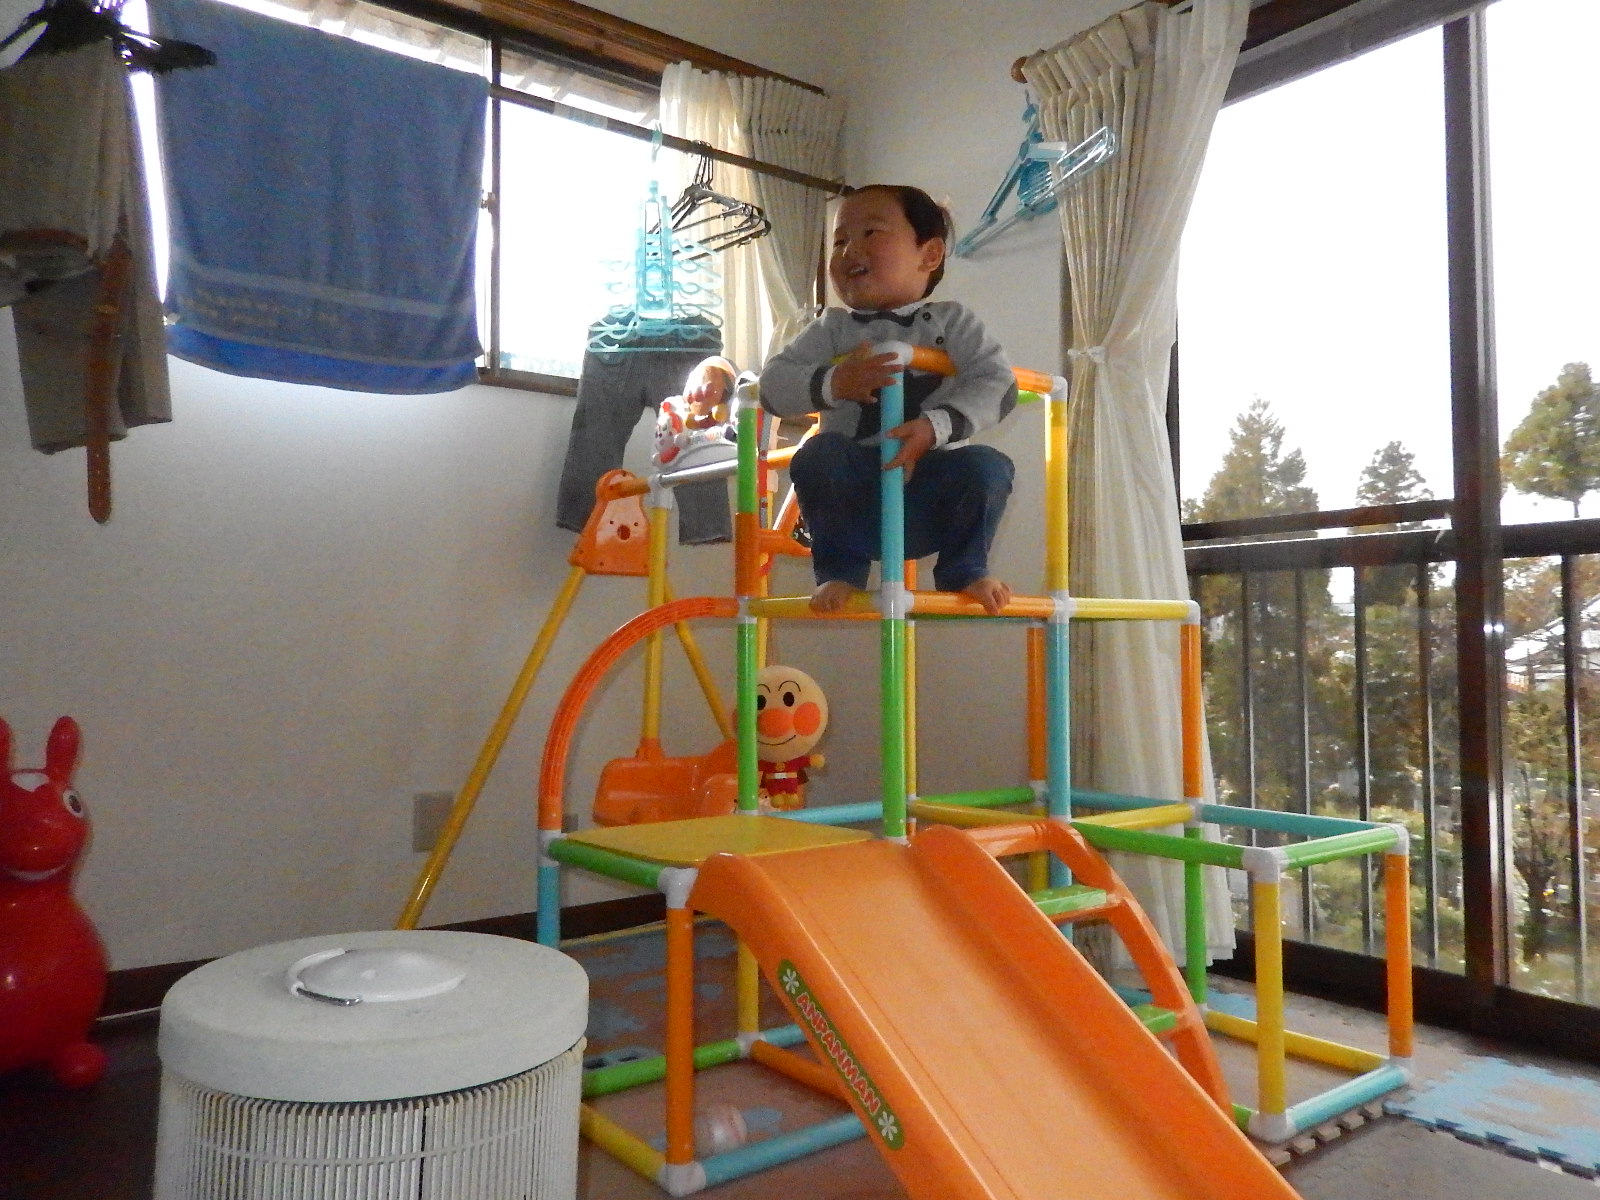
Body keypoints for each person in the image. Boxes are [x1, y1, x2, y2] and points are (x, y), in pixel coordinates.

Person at [756, 184, 1018, 615]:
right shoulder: (833, 329)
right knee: (818, 453)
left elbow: (999, 384)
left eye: (871, 233)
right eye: (840, 240)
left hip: (928, 494)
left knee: (988, 465)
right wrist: (836, 381)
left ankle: (964, 567)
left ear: (929, 255)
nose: (849, 250)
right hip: (856, 498)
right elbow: (773, 386)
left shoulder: (951, 321)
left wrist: (935, 426)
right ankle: (840, 569)